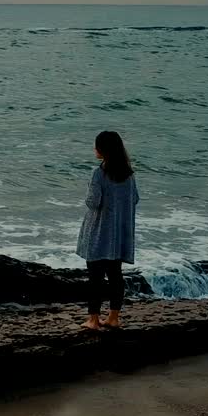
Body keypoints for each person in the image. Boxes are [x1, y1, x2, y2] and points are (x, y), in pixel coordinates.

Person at [76, 130, 139, 330]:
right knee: (115, 276)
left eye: (96, 146)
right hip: (118, 235)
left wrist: (88, 190)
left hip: (99, 233)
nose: (94, 148)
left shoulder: (99, 173)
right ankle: (113, 318)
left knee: (95, 278)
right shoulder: (128, 174)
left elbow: (93, 202)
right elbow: (135, 199)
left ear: (103, 150)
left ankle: (93, 320)